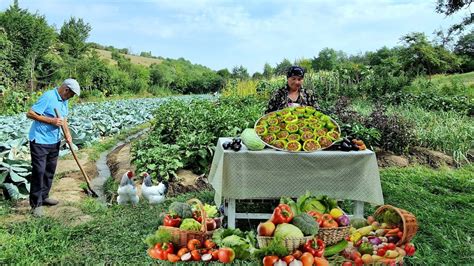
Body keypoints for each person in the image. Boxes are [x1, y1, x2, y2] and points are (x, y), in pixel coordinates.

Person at [26, 78, 80, 217]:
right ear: (66, 90)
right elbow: (30, 113)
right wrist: (51, 120)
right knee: (39, 171)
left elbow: (64, 119)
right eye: (71, 94)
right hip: (40, 140)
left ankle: (44, 197)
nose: (71, 97)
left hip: (54, 140)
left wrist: (68, 134)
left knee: (49, 171)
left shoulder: (64, 100)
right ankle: (36, 204)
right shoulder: (48, 96)